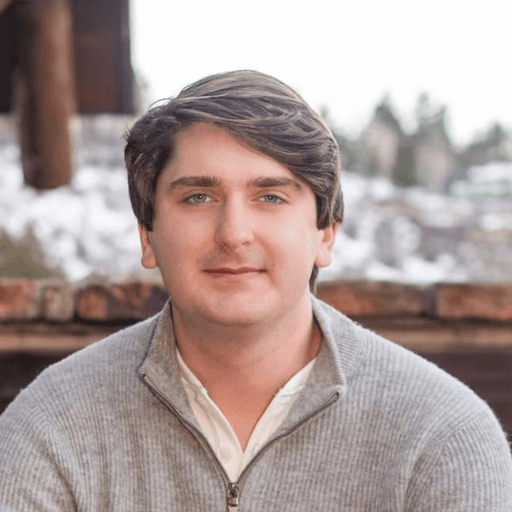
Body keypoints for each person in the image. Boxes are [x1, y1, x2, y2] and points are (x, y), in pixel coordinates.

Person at [0, 70, 511, 511]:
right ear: (148, 236)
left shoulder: (442, 435)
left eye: (270, 196)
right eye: (198, 197)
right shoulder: (51, 427)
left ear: (325, 235)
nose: (233, 234)